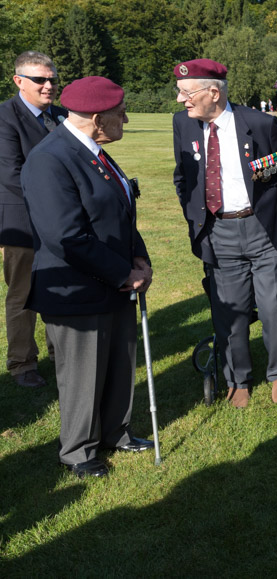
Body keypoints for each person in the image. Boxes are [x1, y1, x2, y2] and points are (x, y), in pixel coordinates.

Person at [21, 76, 153, 477]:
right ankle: (78, 450)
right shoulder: (51, 159)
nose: (126, 120)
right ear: (98, 118)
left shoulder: (95, 152)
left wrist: (140, 260)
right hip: (78, 289)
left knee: (118, 363)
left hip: (114, 282)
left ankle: (116, 431)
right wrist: (122, 273)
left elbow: (120, 213)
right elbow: (65, 236)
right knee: (83, 375)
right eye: (120, 114)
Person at [172, 58, 277, 408]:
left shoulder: (259, 123)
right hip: (218, 230)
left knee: (274, 307)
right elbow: (182, 176)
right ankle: (237, 377)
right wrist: (194, 215)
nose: (182, 100)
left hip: (264, 228)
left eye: (186, 93)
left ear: (214, 92)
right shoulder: (183, 123)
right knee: (230, 310)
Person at [0, 51, 66, 388]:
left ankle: (61, 354)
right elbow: (11, 174)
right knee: (23, 295)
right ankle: (23, 364)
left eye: (52, 78)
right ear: (19, 81)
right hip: (22, 223)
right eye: (40, 79)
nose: (49, 85)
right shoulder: (5, 117)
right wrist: (57, 199)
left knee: (58, 288)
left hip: (60, 222)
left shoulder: (61, 115)